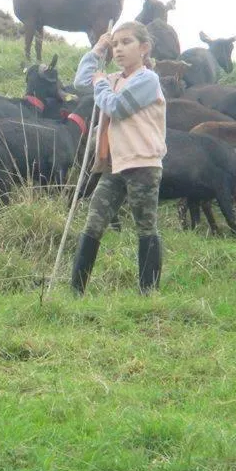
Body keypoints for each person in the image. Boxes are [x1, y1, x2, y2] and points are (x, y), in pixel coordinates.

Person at [70, 21, 167, 294]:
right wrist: (97, 49)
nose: (119, 49)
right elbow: (80, 82)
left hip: (142, 163)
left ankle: (148, 293)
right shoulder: (113, 79)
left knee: (145, 226)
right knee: (94, 222)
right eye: (115, 44)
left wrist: (101, 84)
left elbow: (117, 106)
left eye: (126, 43)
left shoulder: (148, 79)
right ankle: (76, 292)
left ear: (144, 48)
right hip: (115, 163)